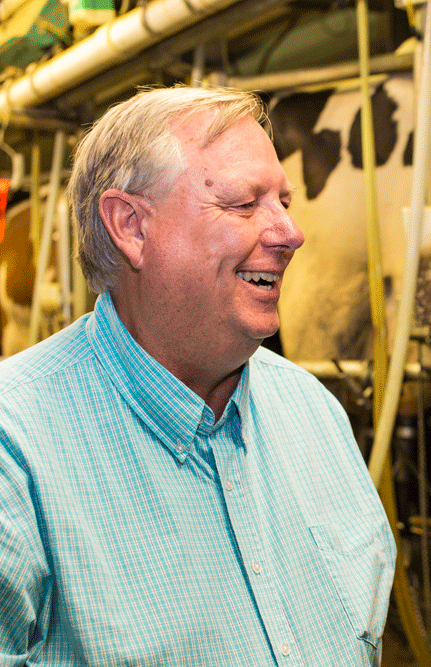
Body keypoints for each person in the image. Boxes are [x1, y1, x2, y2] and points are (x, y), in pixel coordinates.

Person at [0, 86, 395, 665]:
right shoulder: (17, 446)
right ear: (130, 226)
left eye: (284, 201)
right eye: (243, 204)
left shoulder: (313, 410)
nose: (290, 233)